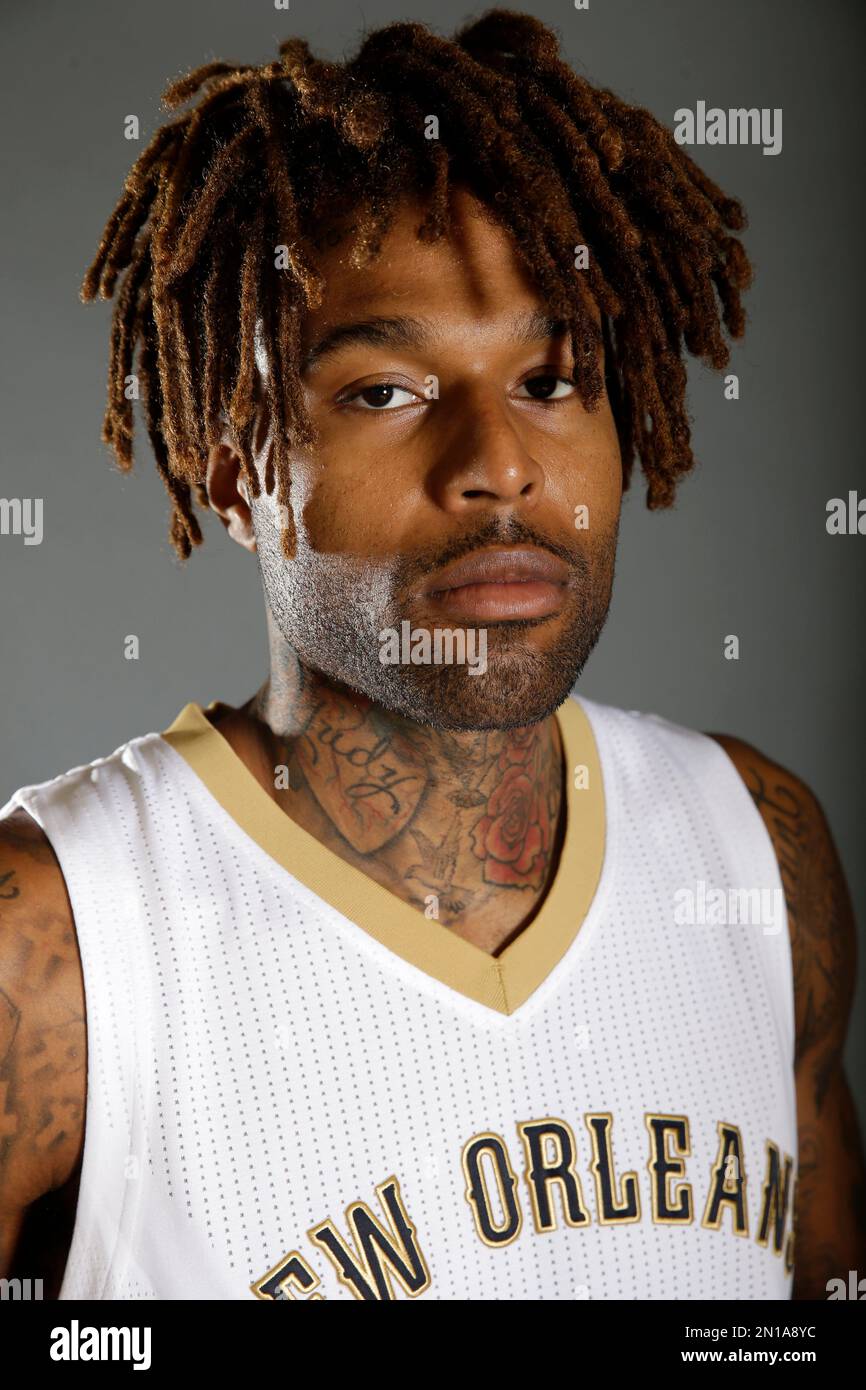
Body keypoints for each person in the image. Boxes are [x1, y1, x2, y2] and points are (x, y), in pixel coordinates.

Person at [1, 9, 863, 1301]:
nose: (497, 464)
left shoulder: (757, 851)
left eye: (552, 377)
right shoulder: (52, 944)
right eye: (385, 392)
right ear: (234, 472)